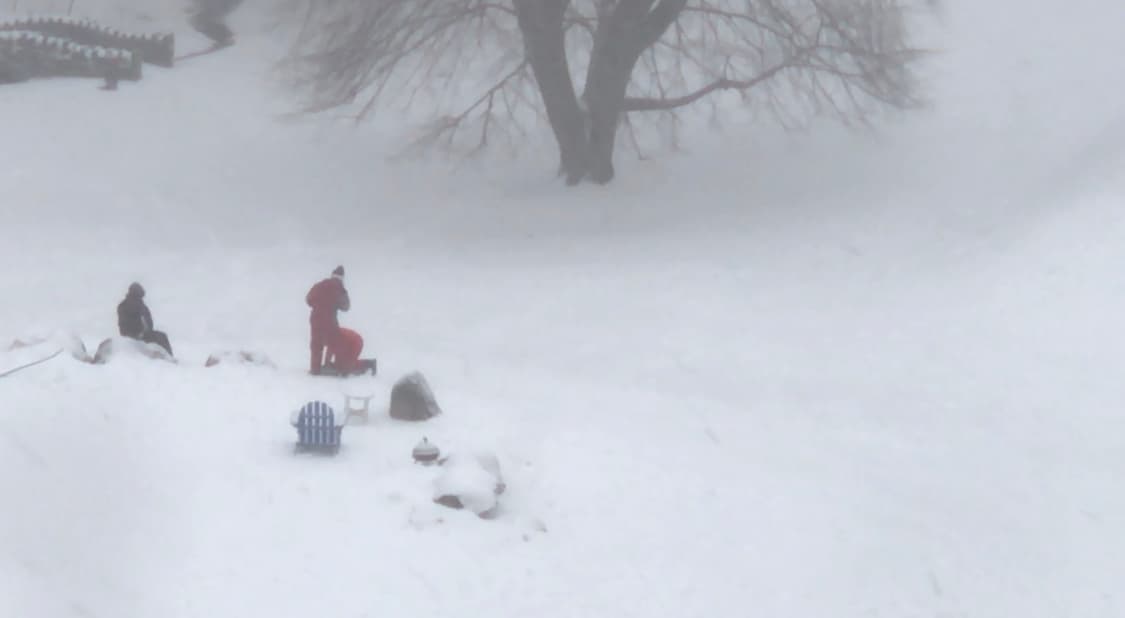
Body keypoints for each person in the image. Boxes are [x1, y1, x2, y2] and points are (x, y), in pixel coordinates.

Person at [306, 266, 350, 375]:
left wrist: (317, 304)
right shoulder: (340, 289)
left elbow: (308, 299)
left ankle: (315, 369)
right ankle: (329, 365)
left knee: (316, 344)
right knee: (333, 341)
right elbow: (346, 307)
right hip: (329, 319)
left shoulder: (319, 285)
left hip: (315, 317)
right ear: (341, 278)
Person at [117, 282, 174, 357]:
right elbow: (124, 323)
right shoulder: (126, 305)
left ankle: (165, 355)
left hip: (142, 333)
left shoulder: (140, 305)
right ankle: (169, 356)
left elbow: (148, 321)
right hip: (133, 334)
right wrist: (136, 333)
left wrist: (146, 330)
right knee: (162, 337)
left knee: (161, 336)